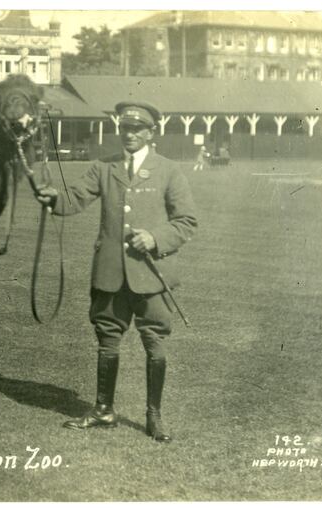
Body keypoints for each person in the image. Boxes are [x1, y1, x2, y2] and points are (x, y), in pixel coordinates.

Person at [36, 101, 197, 443]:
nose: (130, 134)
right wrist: (53, 198)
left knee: (154, 341)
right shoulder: (103, 167)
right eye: (125, 128)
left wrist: (155, 238)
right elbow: (75, 197)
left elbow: (186, 222)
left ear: (151, 133)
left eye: (138, 129)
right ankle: (103, 410)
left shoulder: (168, 170)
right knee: (107, 338)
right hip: (110, 272)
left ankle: (153, 416)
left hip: (152, 275)